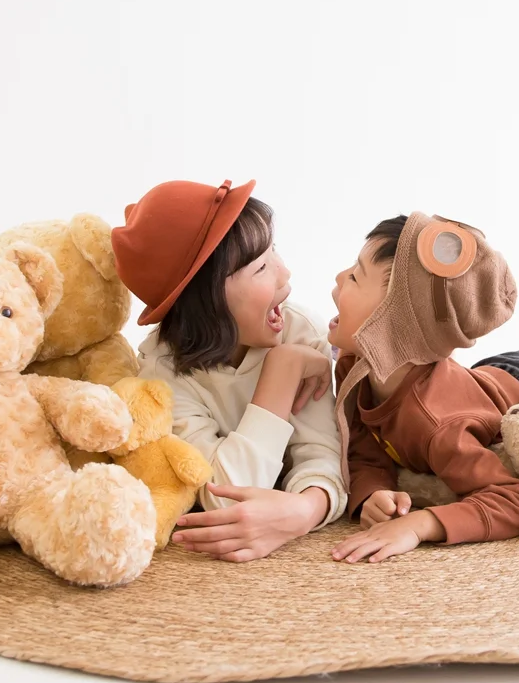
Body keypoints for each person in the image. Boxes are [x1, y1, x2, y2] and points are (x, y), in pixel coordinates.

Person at [327, 213, 519, 564]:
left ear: (392, 324)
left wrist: (419, 525)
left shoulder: (438, 424)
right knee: (494, 383)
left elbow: (513, 500)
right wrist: (372, 491)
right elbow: (363, 449)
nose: (339, 277)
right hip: (493, 373)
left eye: (355, 276)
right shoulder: (352, 367)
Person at [111, 179, 345, 562]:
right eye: (262, 267)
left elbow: (323, 454)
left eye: (274, 251)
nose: (285, 274)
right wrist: (282, 369)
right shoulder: (161, 375)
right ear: (207, 303)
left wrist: (305, 511)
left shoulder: (298, 328)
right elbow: (225, 497)